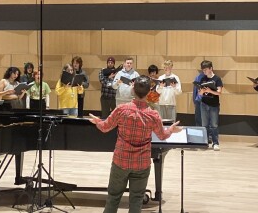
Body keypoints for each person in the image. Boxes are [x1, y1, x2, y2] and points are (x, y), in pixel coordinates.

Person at [88, 76, 182, 213]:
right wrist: (171, 130)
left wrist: (98, 122)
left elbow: (105, 127)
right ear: (149, 92)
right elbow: (162, 136)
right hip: (142, 163)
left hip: (120, 161)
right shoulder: (153, 115)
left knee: (113, 197)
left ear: (133, 89)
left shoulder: (121, 109)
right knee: (137, 199)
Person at [197, 60, 223, 151]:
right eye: (203, 70)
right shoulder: (202, 79)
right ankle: (205, 142)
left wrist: (210, 91)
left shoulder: (217, 79)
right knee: (204, 125)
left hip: (214, 105)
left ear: (211, 68)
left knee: (214, 125)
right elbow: (199, 94)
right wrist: (202, 91)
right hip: (204, 104)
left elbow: (219, 92)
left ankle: (215, 143)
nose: (204, 71)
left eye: (206, 69)